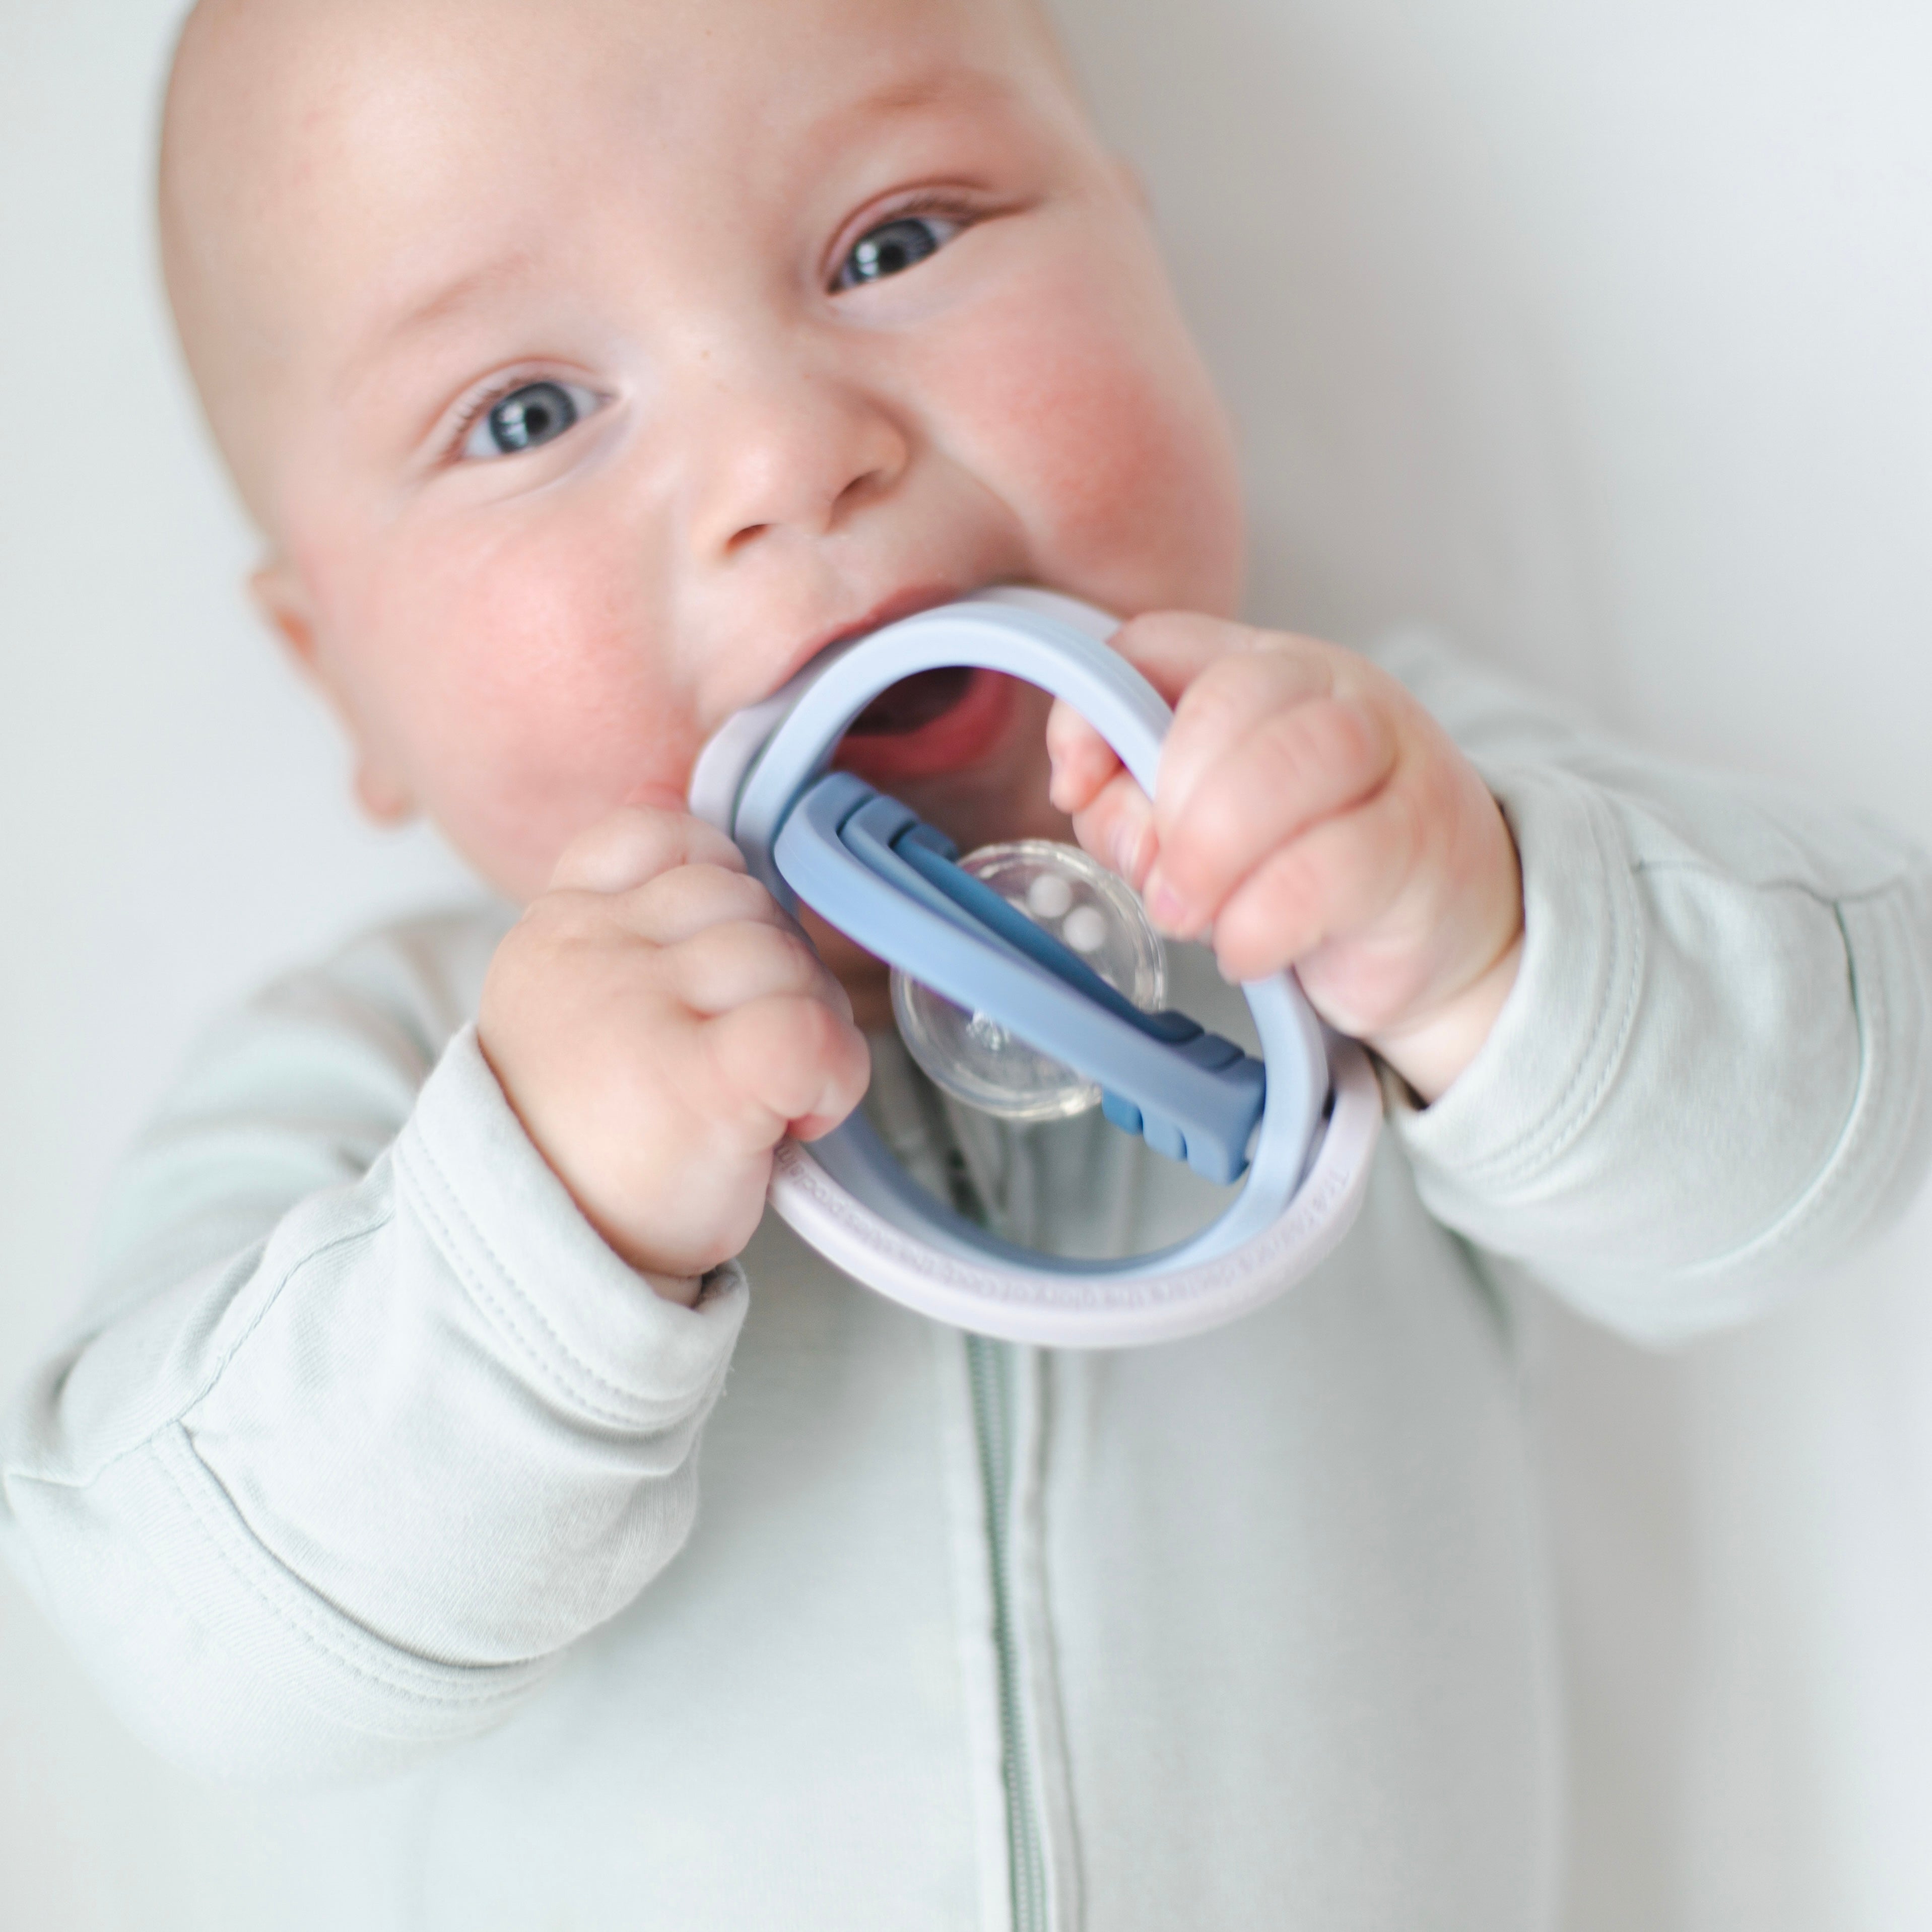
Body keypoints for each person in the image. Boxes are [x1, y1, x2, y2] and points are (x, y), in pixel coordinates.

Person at [3, 0, 1927, 1923]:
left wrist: (1487, 937)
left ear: (1146, 261)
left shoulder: (1370, 829)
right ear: (337, 670)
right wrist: (537, 1228)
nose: (787, 454)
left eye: (896, 241)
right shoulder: (389, 1084)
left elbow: (1833, 1115)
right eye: (527, 414)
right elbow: (189, 1627)